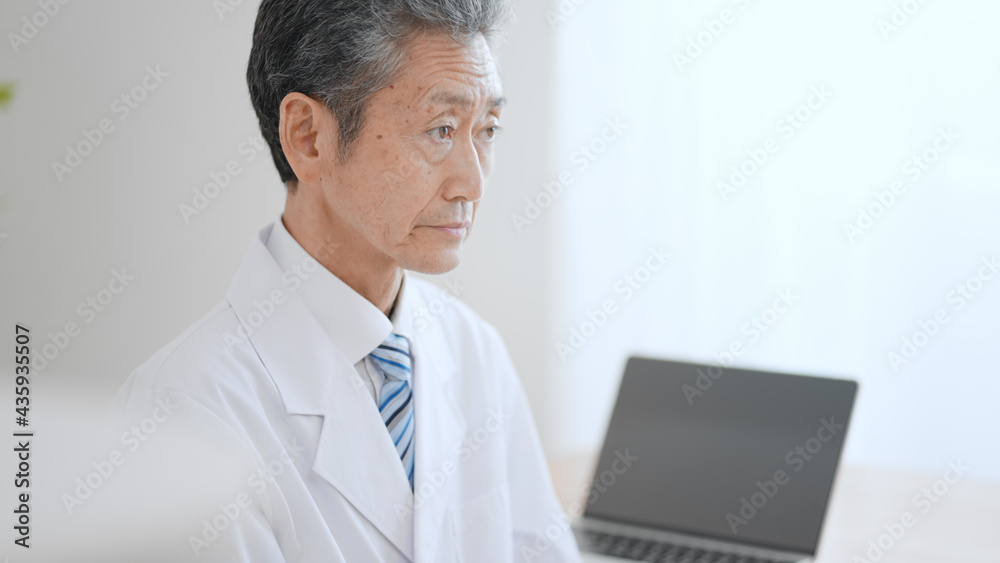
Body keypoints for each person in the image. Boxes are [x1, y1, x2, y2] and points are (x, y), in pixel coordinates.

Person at [104, 0, 582, 561]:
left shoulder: (474, 350)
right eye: (441, 129)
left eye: (487, 130)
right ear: (308, 136)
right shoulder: (182, 414)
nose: (472, 184)